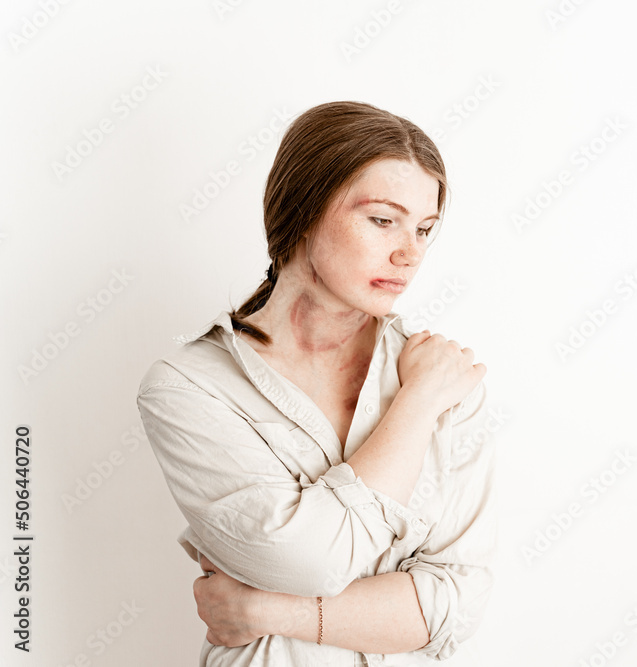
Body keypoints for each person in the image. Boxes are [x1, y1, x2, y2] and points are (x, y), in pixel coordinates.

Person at [136, 101, 498, 666]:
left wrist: (267, 612)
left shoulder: (444, 377)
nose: (410, 253)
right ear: (303, 210)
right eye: (383, 220)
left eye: (424, 228)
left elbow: (456, 604)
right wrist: (417, 404)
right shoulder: (189, 388)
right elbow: (309, 562)